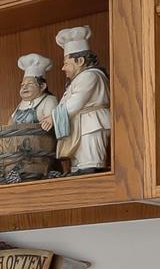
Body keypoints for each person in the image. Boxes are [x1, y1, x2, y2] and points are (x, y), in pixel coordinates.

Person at [41, 26, 110, 175]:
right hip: (80, 124)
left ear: (79, 61)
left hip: (92, 123)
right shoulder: (80, 78)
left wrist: (53, 117)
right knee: (80, 162)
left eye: (66, 63)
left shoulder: (90, 76)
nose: (63, 68)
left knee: (90, 158)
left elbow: (76, 102)